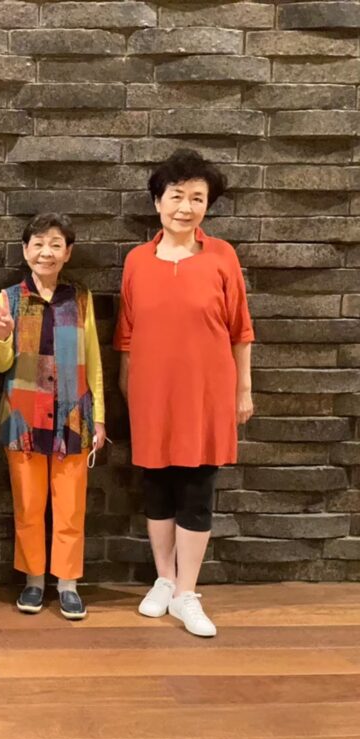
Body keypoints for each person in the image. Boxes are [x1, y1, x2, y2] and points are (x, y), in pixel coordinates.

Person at [114, 149, 255, 638]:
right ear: (158, 202)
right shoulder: (137, 260)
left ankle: (187, 593)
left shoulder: (222, 256)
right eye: (176, 196)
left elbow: (240, 329)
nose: (186, 207)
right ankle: (164, 579)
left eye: (197, 198)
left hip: (207, 392)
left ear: (206, 206)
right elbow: (126, 333)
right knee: (156, 486)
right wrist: (127, 387)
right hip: (152, 392)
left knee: (197, 489)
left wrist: (243, 389)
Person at [0, 213, 106, 620]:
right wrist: (2, 334)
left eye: (56, 244)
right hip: (23, 418)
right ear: (25, 251)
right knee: (28, 506)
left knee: (71, 507)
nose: (46, 252)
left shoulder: (81, 299)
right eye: (38, 244)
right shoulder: (9, 298)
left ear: (68, 253)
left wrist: (100, 418)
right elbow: (0, 363)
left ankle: (68, 584)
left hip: (74, 417)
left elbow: (94, 362)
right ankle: (34, 580)